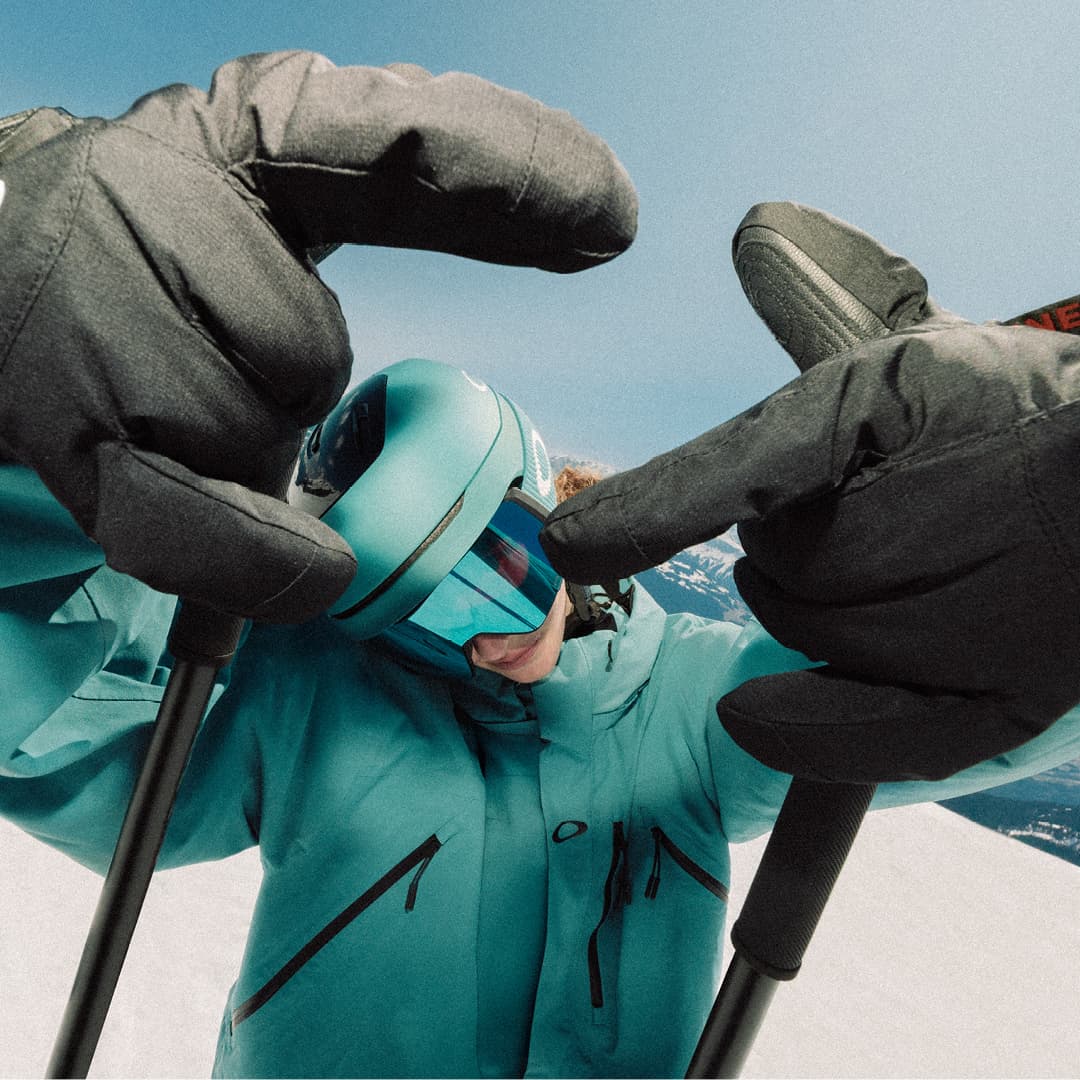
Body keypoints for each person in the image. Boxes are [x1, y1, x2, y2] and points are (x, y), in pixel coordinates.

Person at [3, 51, 1080, 1080]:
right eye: (427, 612)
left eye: (499, 564)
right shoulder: (314, 693)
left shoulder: (684, 707)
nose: (483, 635)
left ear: (555, 503)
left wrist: (1054, 567)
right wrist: (22, 460)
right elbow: (60, 733)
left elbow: (942, 705)